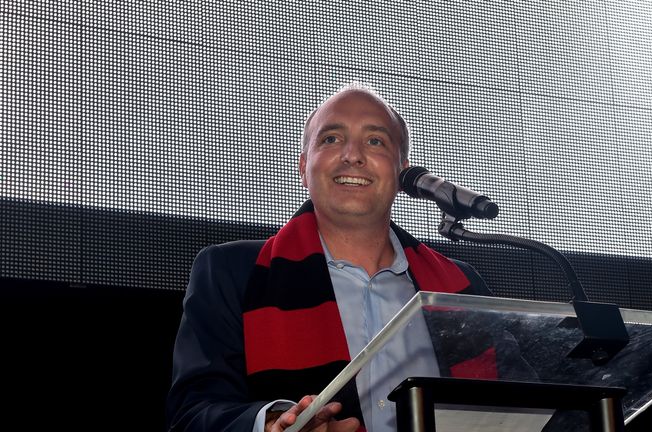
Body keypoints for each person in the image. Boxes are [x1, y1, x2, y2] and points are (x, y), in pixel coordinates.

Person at [166, 82, 492, 432]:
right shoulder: (230, 273)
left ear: (402, 172)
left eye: (375, 141)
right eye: (331, 139)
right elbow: (191, 415)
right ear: (304, 167)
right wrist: (274, 423)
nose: (352, 155)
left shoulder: (462, 286)